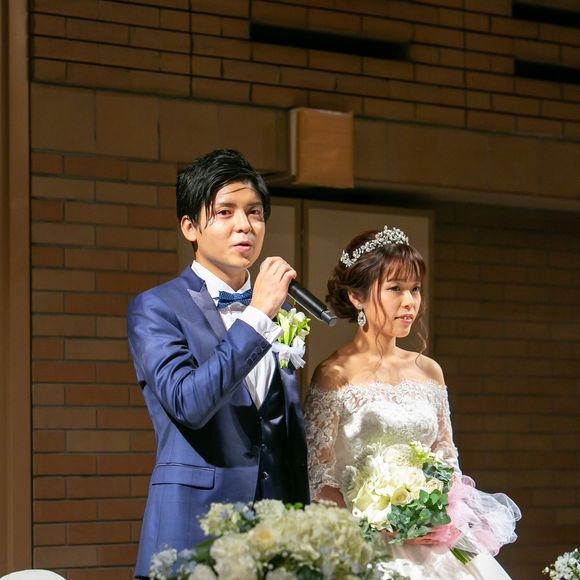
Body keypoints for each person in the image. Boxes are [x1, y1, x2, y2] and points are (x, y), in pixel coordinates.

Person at [127, 149, 310, 579]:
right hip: (194, 530)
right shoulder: (156, 308)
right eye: (225, 212)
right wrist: (257, 316)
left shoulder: (280, 311)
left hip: (276, 535)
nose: (244, 225)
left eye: (254, 212)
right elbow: (190, 403)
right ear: (190, 227)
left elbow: (281, 428)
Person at [304, 226, 521, 580]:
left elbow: (446, 458)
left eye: (415, 289)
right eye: (395, 288)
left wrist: (438, 514)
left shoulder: (430, 371)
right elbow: (316, 476)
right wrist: (376, 522)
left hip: (433, 540)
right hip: (365, 543)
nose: (410, 302)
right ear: (357, 297)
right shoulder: (334, 374)